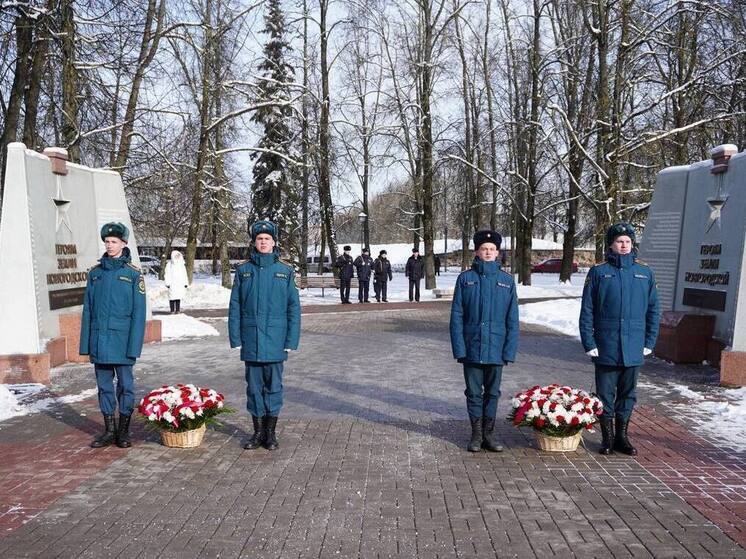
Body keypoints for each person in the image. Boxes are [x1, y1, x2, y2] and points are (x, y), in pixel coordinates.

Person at [579, 222, 660, 456]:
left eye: (627, 242)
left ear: (632, 244)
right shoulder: (598, 272)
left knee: (628, 394)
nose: (624, 246)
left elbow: (653, 310)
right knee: (605, 394)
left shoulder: (645, 273)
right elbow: (587, 310)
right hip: (607, 344)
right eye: (619, 242)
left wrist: (649, 341)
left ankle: (622, 437)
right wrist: (589, 341)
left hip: (634, 345)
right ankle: (607, 437)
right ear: (611, 245)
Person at [229, 220, 300, 451]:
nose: (263, 242)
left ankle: (270, 433)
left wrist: (291, 341)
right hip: (251, 340)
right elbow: (235, 306)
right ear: (254, 242)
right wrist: (236, 338)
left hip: (276, 341)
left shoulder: (285, 271)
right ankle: (257, 432)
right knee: (253, 387)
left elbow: (293, 309)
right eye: (259, 239)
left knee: (274, 387)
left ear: (274, 242)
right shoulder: (243, 271)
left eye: (267, 239)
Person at [450, 230, 519, 453]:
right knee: (473, 392)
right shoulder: (465, 279)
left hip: (497, 348)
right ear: (477, 252)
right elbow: (457, 316)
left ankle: (489, 434)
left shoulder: (507, 281)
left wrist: (509, 350)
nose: (488, 252)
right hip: (471, 347)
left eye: (491, 249)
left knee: (492, 392)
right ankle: (476, 435)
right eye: (484, 249)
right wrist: (459, 348)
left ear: (497, 252)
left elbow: (512, 319)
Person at [79, 222, 146, 449]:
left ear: (123, 243)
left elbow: (139, 314)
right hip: (100, 341)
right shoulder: (95, 274)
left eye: (114, 242)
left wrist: (134, 346)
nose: (110, 245)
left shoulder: (133, 274)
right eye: (107, 242)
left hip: (123, 342)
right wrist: (86, 344)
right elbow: (88, 310)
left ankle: (124, 432)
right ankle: (109, 430)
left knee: (126, 386)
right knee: (104, 386)